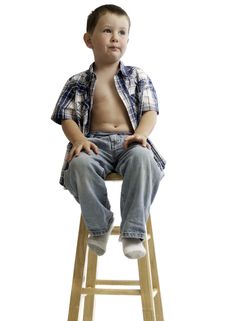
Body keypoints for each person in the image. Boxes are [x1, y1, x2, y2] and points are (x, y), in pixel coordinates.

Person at [51, 4, 165, 259]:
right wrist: (79, 140)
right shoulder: (77, 81)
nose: (116, 37)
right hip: (93, 143)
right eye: (107, 30)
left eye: (122, 32)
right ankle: (100, 226)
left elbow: (150, 111)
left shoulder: (137, 76)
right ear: (88, 40)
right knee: (79, 165)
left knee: (144, 159)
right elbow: (66, 117)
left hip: (130, 142)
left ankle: (134, 231)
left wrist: (142, 135)